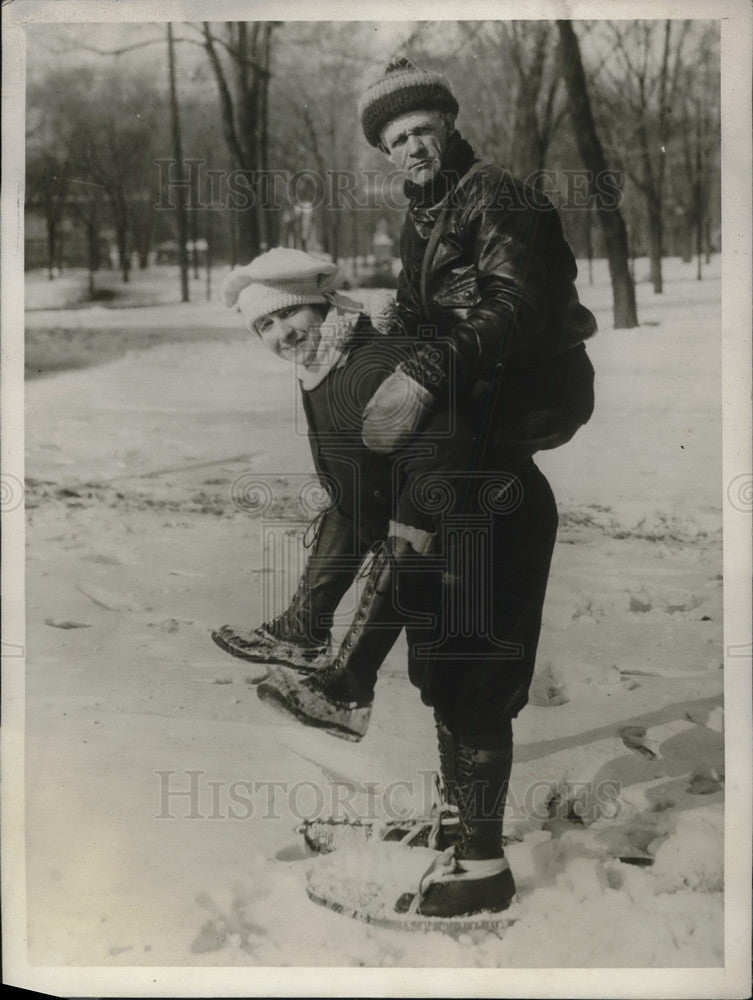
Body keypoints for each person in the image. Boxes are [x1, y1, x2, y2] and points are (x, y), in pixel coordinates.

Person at [254, 56, 597, 919]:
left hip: (494, 474)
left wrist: (425, 371)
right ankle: (456, 822)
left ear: (447, 125)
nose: (411, 147)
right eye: (394, 139)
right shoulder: (426, 216)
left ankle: (479, 868)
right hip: (461, 467)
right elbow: (419, 315)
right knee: (444, 662)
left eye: (421, 130)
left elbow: (517, 309)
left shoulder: (499, 198)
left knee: (470, 664)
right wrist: (359, 343)